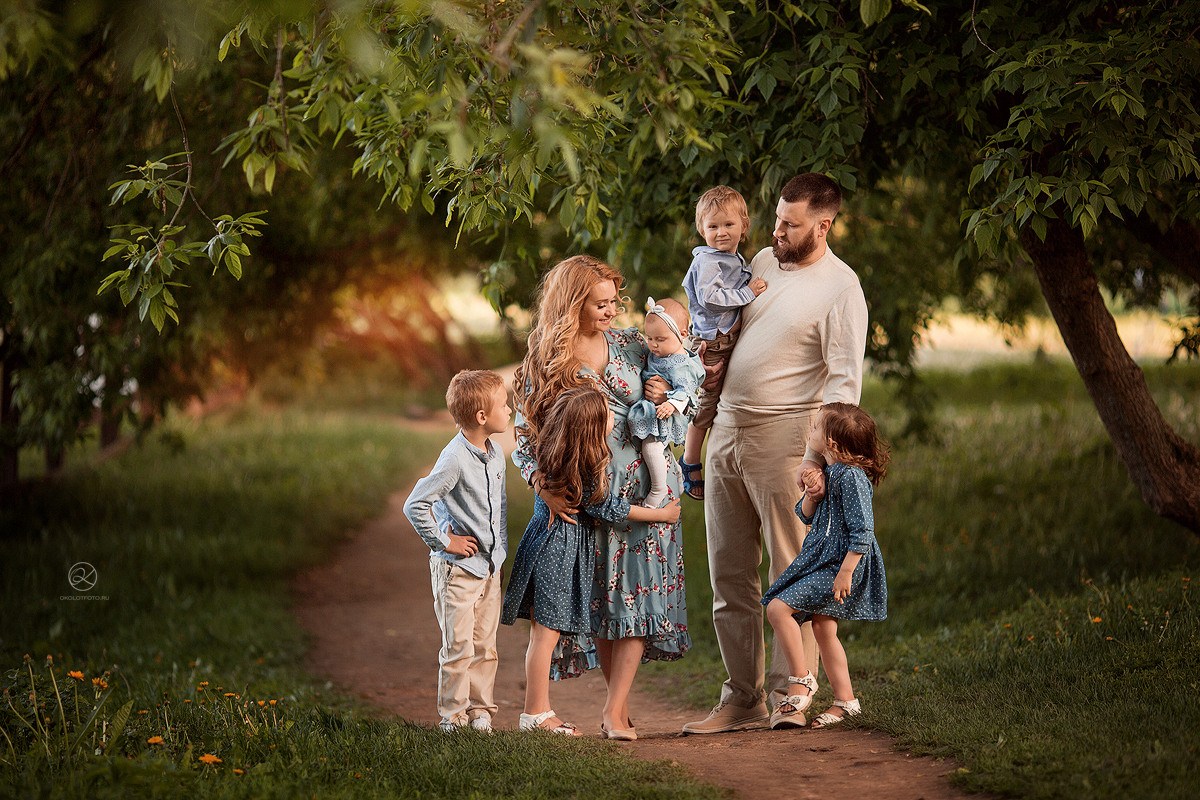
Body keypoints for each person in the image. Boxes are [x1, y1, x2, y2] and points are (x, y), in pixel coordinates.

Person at [682, 173, 869, 735]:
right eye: (778, 218)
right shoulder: (759, 261)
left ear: (824, 225)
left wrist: (822, 461)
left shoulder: (841, 288)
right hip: (727, 430)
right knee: (728, 574)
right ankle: (742, 700)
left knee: (793, 573)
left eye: (791, 223)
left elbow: (843, 385)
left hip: (789, 438)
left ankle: (798, 692)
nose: (777, 230)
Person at [513, 254, 692, 741]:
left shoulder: (634, 344)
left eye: (616, 301)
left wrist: (662, 395)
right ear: (572, 304)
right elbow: (523, 438)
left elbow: (684, 377)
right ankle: (610, 708)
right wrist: (542, 487)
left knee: (637, 594)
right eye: (601, 303)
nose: (612, 311)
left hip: (646, 490)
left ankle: (616, 711)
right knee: (605, 602)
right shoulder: (547, 361)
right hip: (587, 493)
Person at [501, 387, 682, 737]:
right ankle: (535, 713)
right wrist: (660, 514)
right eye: (606, 416)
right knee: (545, 636)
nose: (613, 418)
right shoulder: (578, 472)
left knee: (543, 635)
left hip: (549, 548)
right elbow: (609, 508)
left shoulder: (558, 455)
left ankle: (537, 712)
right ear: (590, 431)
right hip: (556, 552)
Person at [763, 403, 889, 729]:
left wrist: (846, 572)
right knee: (823, 627)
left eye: (817, 427)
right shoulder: (831, 474)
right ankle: (846, 702)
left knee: (778, 609)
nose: (811, 430)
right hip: (822, 559)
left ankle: (802, 678)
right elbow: (805, 516)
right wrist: (812, 494)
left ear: (831, 443)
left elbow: (863, 531)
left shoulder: (852, 478)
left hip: (839, 565)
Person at [402, 369, 510, 733]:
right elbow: (416, 505)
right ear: (482, 417)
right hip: (458, 572)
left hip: (489, 569)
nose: (509, 409)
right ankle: (452, 716)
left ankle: (481, 711)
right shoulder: (453, 459)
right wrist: (445, 542)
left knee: (485, 645)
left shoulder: (495, 455)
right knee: (458, 646)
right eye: (503, 404)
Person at [679, 185, 768, 501]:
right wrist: (748, 294)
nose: (720, 232)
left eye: (728, 224)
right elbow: (710, 298)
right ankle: (689, 459)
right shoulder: (709, 262)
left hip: (725, 336)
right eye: (712, 226)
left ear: (744, 226)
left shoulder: (730, 257)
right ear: (701, 229)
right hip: (713, 342)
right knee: (707, 400)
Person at [627, 297, 705, 508]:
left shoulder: (681, 364)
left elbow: (686, 391)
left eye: (660, 339)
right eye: (649, 338)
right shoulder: (663, 352)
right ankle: (677, 474)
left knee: (651, 448)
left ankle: (658, 489)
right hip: (653, 411)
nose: (653, 345)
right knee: (656, 450)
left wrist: (671, 404)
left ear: (682, 334)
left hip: (664, 413)